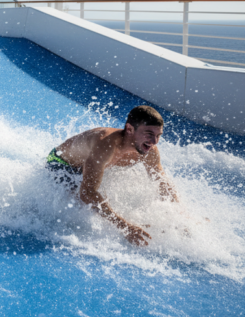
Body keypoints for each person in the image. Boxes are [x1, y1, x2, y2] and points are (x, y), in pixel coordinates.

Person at [47, 105, 179, 246]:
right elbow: (87, 193)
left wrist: (179, 216)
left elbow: (161, 182)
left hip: (89, 166)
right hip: (62, 165)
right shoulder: (105, 145)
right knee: (80, 209)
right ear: (129, 129)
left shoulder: (149, 150)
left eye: (158, 135)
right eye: (149, 134)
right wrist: (125, 226)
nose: (154, 142)